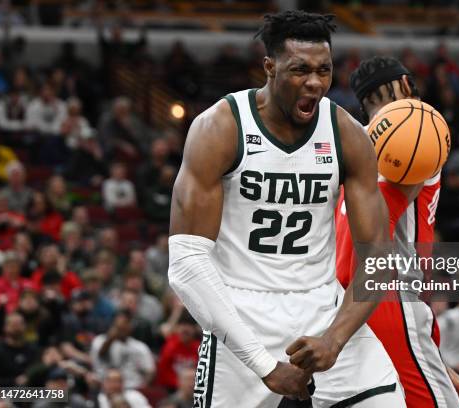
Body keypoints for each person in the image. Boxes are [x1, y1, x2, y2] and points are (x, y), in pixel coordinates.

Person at [168, 10, 403, 408]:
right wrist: (263, 363)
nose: (315, 82)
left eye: (324, 71)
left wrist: (334, 339)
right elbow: (186, 265)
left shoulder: (347, 133)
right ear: (269, 67)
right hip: (241, 313)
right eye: (300, 70)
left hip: (322, 305)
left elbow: (378, 258)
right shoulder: (221, 128)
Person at [335, 55, 459, 407]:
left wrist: (432, 357)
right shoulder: (417, 128)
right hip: (390, 294)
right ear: (407, 85)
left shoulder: (351, 142)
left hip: (346, 304)